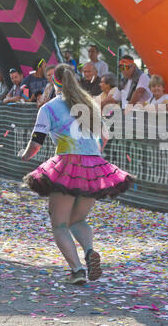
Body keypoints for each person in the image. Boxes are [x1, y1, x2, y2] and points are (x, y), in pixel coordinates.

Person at [21, 63, 132, 285]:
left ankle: (77, 271)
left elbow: (36, 145)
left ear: (55, 82)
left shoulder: (49, 108)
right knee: (78, 219)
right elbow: (105, 137)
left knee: (59, 223)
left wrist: (24, 156)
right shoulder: (90, 104)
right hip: (93, 166)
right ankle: (90, 251)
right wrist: (92, 154)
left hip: (67, 165)